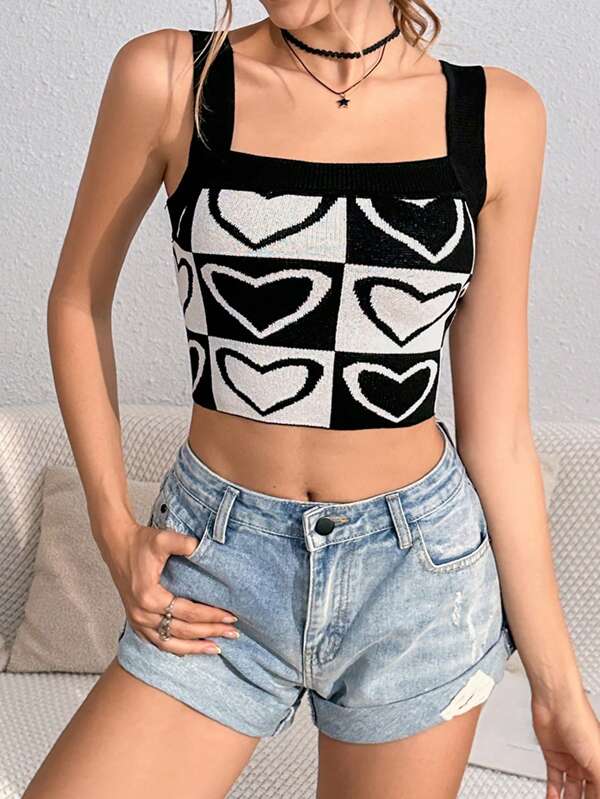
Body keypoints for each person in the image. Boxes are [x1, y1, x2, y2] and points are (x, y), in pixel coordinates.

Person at [24, 1, 600, 798]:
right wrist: (112, 525)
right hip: (218, 563)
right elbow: (77, 301)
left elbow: (498, 436)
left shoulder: (495, 116)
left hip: (418, 578)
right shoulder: (173, 79)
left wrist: (559, 690)